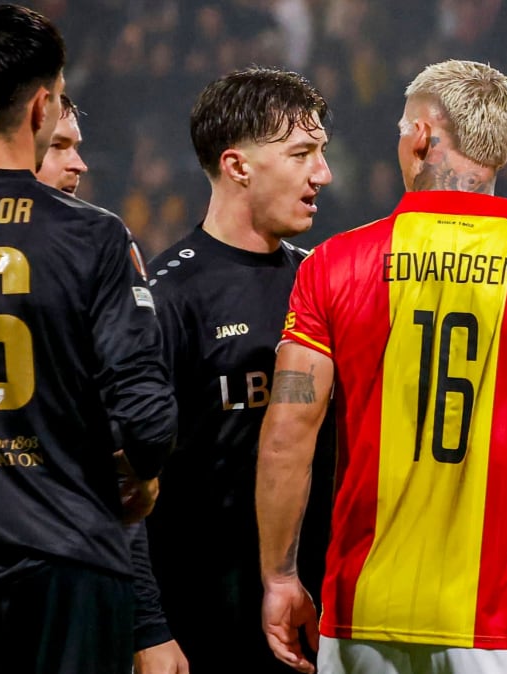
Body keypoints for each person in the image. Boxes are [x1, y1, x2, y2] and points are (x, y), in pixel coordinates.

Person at [256, 59, 507, 674]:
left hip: (364, 611)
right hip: (499, 624)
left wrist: (280, 577)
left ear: (422, 135)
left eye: (403, 128)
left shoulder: (334, 264)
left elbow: (287, 435)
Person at [0, 5, 177, 674]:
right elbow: (148, 419)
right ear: (42, 108)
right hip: (68, 570)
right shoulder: (94, 236)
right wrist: (140, 472)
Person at [141, 66, 336, 674]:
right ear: (237, 166)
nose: (322, 173)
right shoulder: (169, 298)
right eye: (301, 153)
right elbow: (128, 483)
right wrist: (149, 629)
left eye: (321, 152)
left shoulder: (321, 282)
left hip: (316, 618)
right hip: (202, 626)